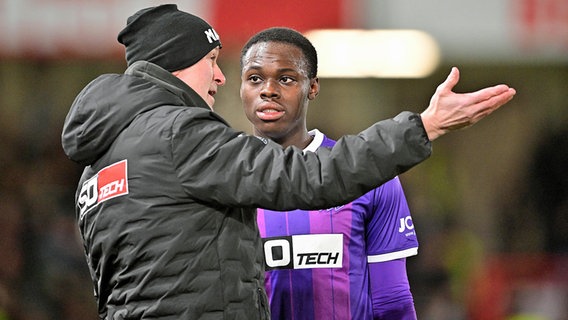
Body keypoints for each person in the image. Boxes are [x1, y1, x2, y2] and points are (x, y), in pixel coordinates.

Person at [60, 4, 515, 320]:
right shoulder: (181, 136)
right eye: (213, 61)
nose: (219, 75)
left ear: (311, 87)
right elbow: (311, 176)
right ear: (177, 63)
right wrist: (424, 126)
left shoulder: (94, 169)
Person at [240, 27, 420, 319]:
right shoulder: (220, 176)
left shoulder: (372, 177)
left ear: (312, 87)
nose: (268, 90)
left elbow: (392, 301)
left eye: (286, 78)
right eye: (255, 78)